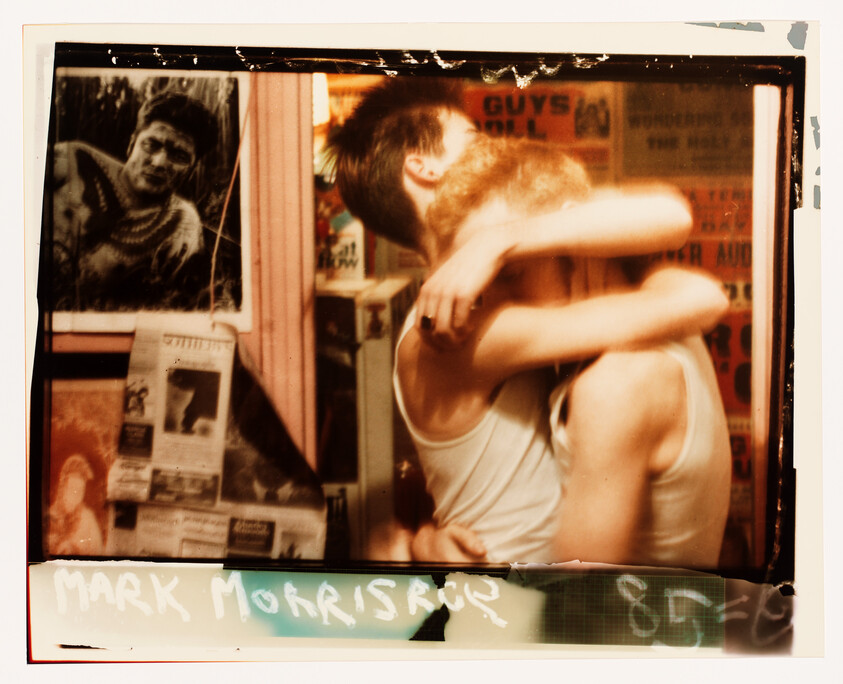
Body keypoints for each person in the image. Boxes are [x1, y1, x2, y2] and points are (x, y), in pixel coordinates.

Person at [329, 78, 730, 566]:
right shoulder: (454, 329)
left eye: (512, 270)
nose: (491, 146)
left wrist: (500, 242)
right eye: (474, 138)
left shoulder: (512, 255)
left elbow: (670, 214)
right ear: (423, 167)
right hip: (506, 598)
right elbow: (695, 295)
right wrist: (416, 548)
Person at [50, 90, 219, 311]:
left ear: (191, 171)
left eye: (179, 156)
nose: (159, 162)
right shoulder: (73, 160)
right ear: (132, 143)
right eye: (152, 145)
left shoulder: (182, 223)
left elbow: (172, 306)